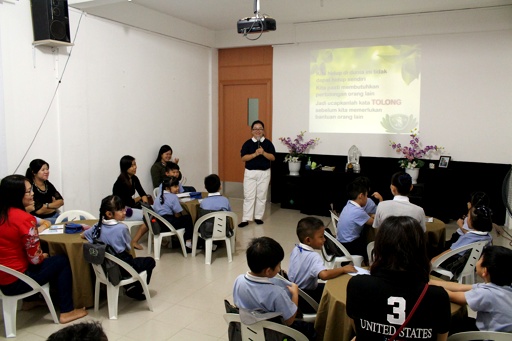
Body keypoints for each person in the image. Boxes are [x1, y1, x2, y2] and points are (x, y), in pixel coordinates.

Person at [347, 216, 451, 341]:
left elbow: (358, 330)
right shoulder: (438, 296)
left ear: (379, 247)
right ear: (420, 249)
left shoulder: (357, 285)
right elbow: (441, 339)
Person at [0, 174, 87, 324]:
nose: (32, 193)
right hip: (18, 280)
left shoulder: (4, 214)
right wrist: (43, 256)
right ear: (16, 195)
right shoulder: (23, 219)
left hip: (4, 278)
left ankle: (29, 301)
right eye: (28, 192)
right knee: (61, 261)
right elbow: (35, 259)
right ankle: (67, 311)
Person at [233, 237, 315, 340]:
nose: (280, 268)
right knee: (310, 329)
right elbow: (289, 321)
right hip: (273, 334)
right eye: (278, 265)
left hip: (249, 329)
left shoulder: (238, 280)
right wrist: (295, 294)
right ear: (268, 271)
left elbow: (237, 304)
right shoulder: (277, 293)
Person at [82, 195, 155, 300]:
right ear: (109, 214)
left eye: (123, 208)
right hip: (122, 265)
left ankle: (130, 286)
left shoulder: (96, 226)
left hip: (105, 266)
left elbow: (84, 235)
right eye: (120, 210)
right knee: (149, 261)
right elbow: (128, 247)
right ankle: (135, 289)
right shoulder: (122, 228)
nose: (124, 212)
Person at [430, 246, 512, 333]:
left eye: (480, 258)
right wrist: (429, 281)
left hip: (489, 336)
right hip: (502, 334)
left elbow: (453, 296)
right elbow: (460, 287)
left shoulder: (487, 294)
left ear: (485, 271)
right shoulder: (502, 287)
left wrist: (425, 288)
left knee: (442, 324)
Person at [288, 217, 356, 306]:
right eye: (321, 237)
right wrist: (343, 269)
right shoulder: (313, 256)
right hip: (306, 298)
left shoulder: (296, 249)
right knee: (334, 294)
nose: (324, 239)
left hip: (293, 293)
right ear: (308, 240)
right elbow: (324, 275)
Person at [431, 205, 493, 274]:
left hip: (455, 265)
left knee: (429, 250)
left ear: (472, 221)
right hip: (470, 264)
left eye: (468, 216)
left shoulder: (468, 237)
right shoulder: (488, 236)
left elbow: (450, 251)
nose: (466, 218)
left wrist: (434, 260)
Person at [239, 120, 276, 228]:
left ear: (263, 131)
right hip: (250, 173)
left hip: (264, 173)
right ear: (252, 131)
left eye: (260, 129)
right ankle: (246, 218)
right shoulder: (247, 143)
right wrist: (255, 154)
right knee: (248, 196)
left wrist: (263, 153)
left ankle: (258, 217)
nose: (258, 131)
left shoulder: (268, 143)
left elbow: (273, 157)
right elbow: (243, 158)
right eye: (255, 129)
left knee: (261, 196)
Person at [112, 155, 150, 250]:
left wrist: (146, 204)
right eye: (132, 166)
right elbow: (129, 202)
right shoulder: (120, 183)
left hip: (130, 207)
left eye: (135, 164)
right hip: (123, 211)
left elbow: (142, 193)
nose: (135, 167)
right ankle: (134, 241)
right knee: (149, 217)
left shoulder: (134, 178)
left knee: (151, 212)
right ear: (125, 168)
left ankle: (157, 238)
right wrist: (139, 198)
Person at [152, 177, 195, 252]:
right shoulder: (173, 197)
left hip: (159, 223)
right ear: (167, 188)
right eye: (175, 186)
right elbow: (177, 214)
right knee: (188, 218)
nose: (178, 188)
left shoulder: (158, 196)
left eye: (178, 186)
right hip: (168, 224)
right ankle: (188, 243)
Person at [336, 181, 374, 264]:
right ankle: (368, 263)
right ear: (361, 196)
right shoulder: (358, 211)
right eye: (366, 196)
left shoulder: (349, 205)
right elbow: (372, 222)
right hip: (349, 245)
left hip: (341, 241)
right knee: (369, 243)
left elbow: (363, 216)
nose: (367, 199)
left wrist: (369, 215)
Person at [25, 159, 64, 224]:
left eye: (47, 169)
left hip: (55, 215)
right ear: (34, 172)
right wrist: (54, 206)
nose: (46, 172)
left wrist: (46, 205)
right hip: (41, 219)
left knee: (78, 219)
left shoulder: (47, 184)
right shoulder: (30, 187)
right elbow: (39, 211)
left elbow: (61, 201)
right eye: (43, 170)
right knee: (66, 222)